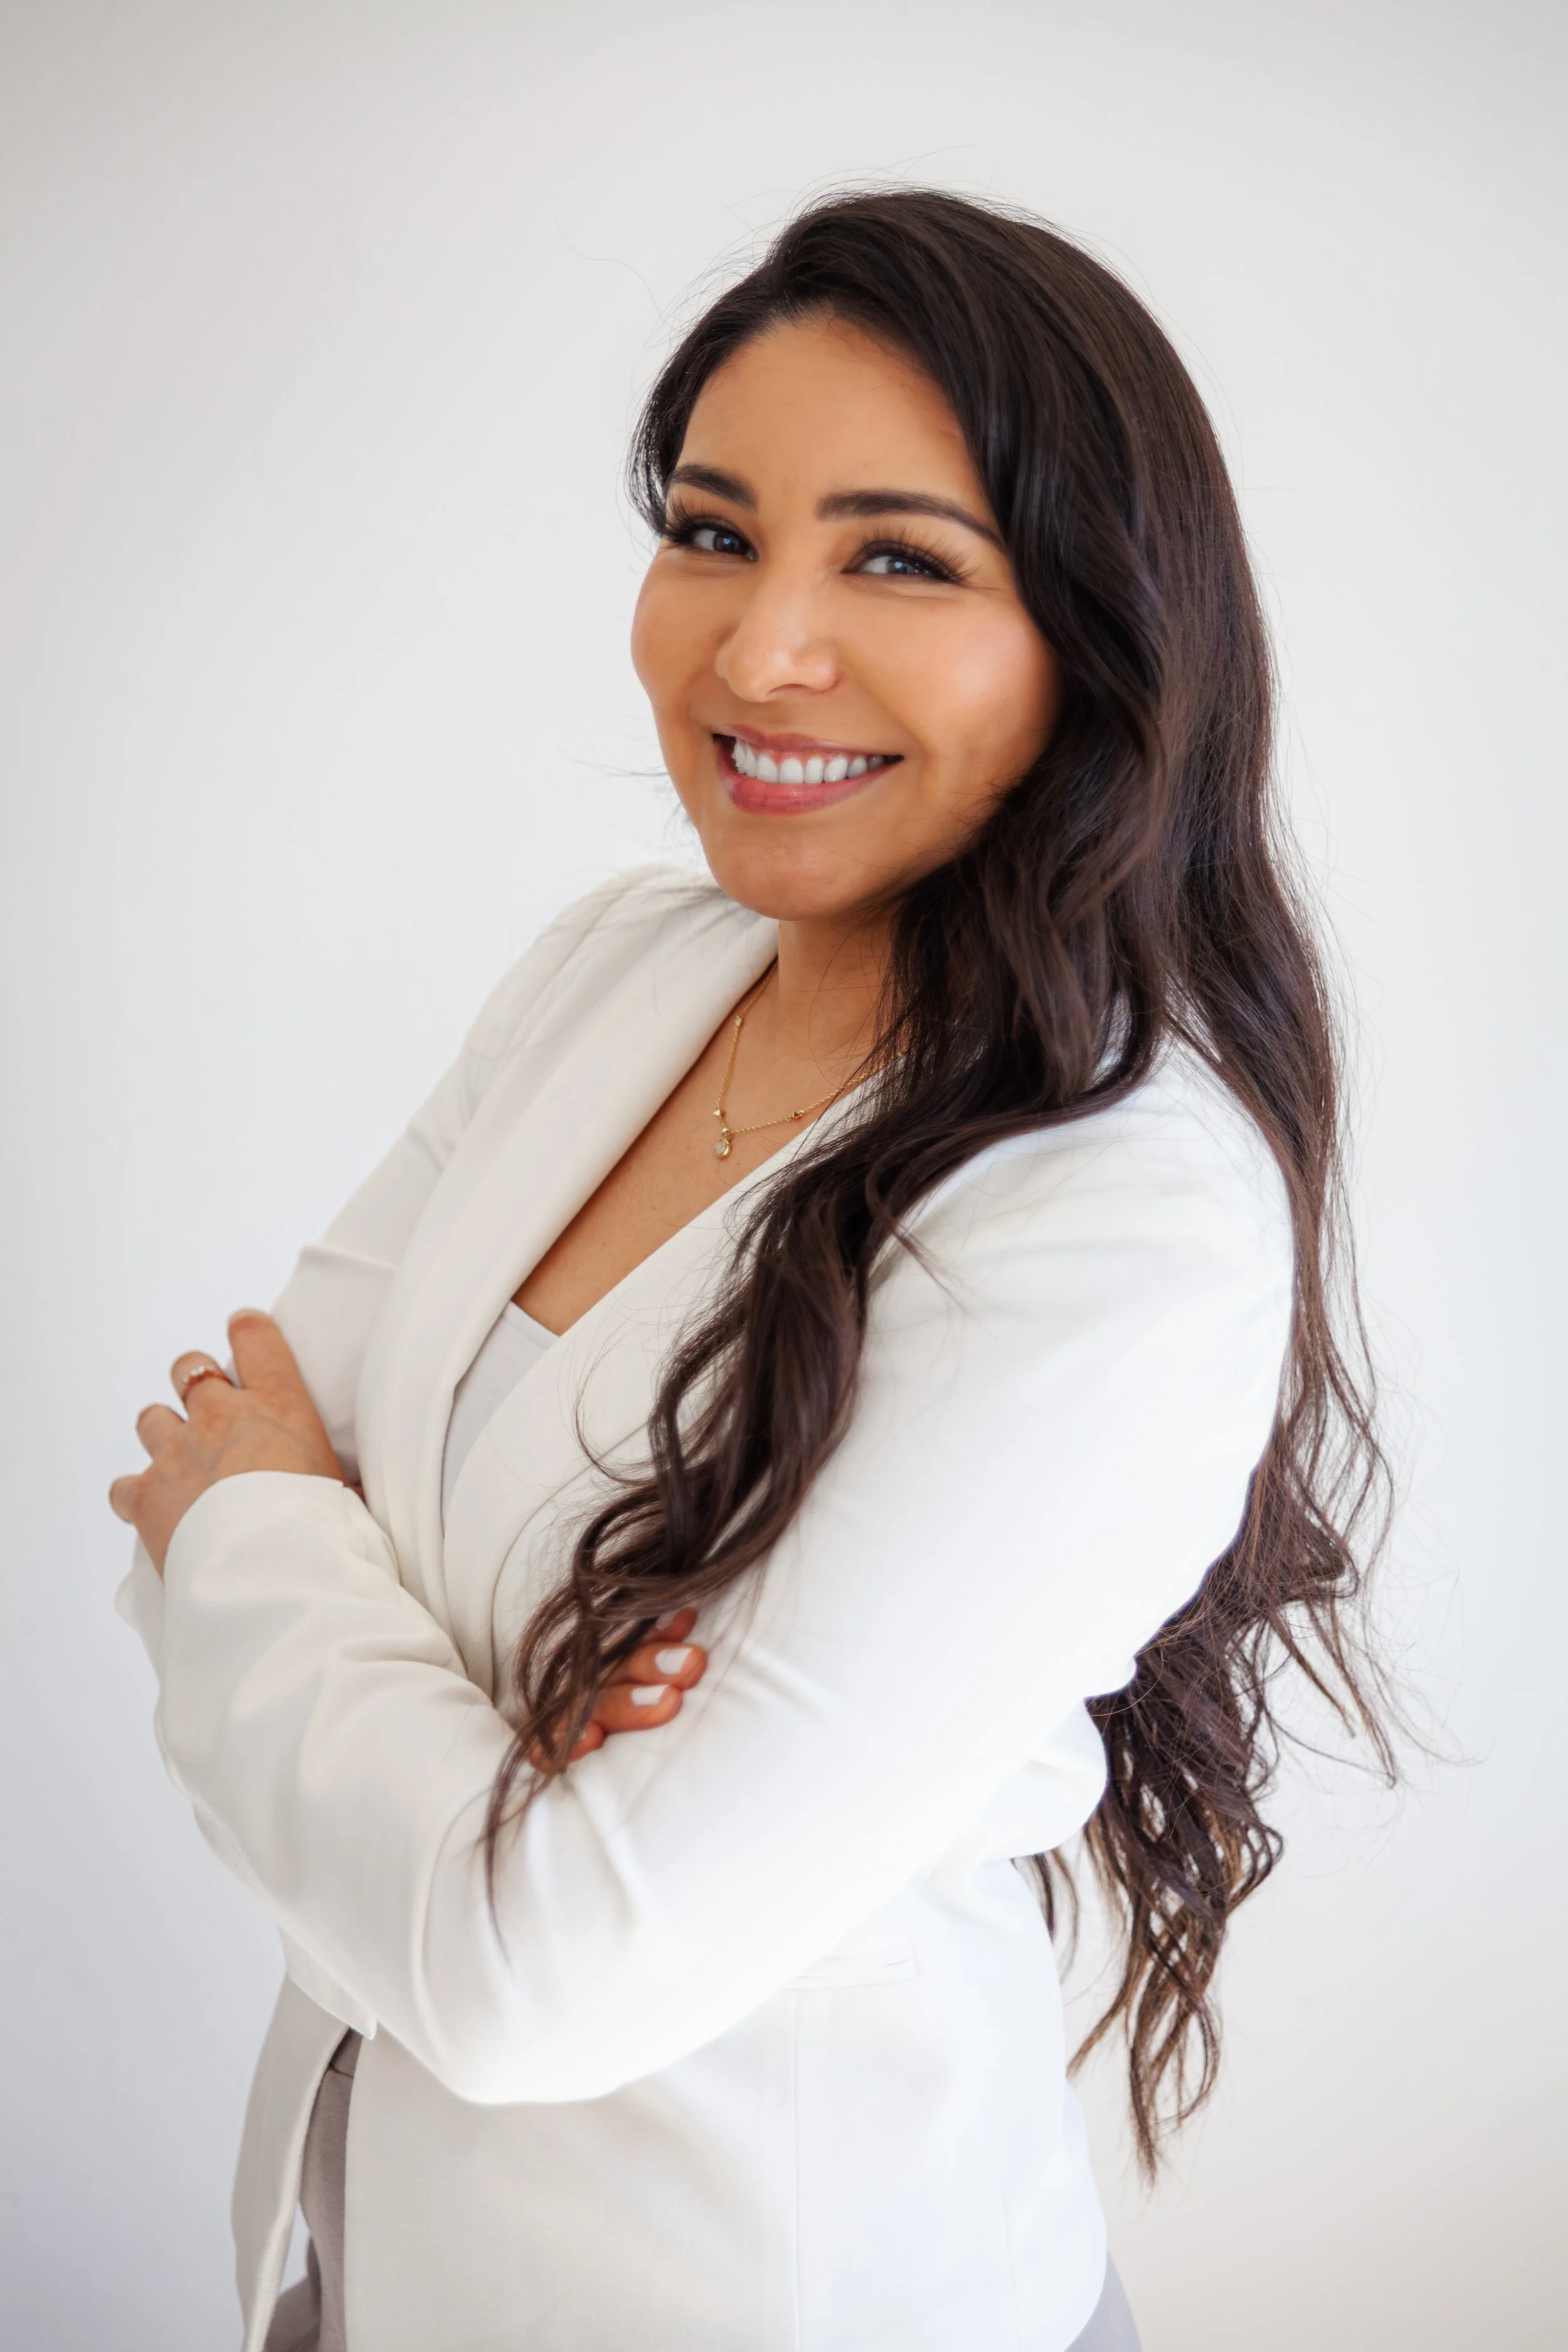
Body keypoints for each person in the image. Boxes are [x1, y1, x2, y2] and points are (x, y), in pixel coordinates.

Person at [110, 188, 1392, 2352]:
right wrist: (478, 1717)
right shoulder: (619, 966)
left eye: (898, 560)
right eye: (712, 530)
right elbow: (199, 1455)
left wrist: (280, 1540)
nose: (758, 645)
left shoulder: (1117, 1210)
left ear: (1095, 635)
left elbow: (532, 1969)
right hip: (376, 2266)